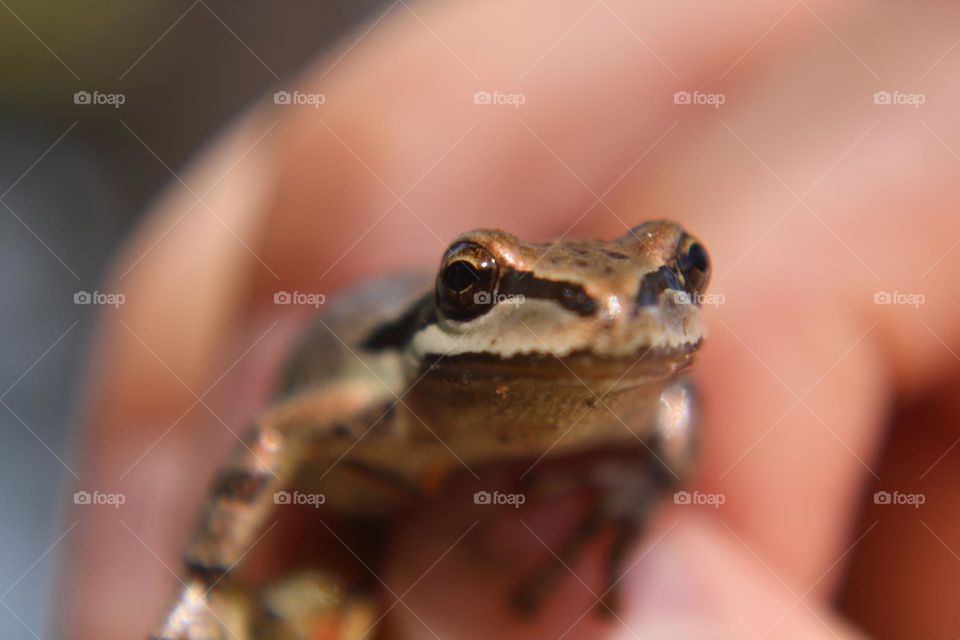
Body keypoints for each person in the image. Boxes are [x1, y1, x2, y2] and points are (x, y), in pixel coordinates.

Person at [61, 1, 960, 637]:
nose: (612, 314)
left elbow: (680, 417)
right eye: (473, 284)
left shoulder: (658, 399)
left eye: (682, 273)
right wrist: (205, 589)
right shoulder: (371, 404)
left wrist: (633, 497)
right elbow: (267, 439)